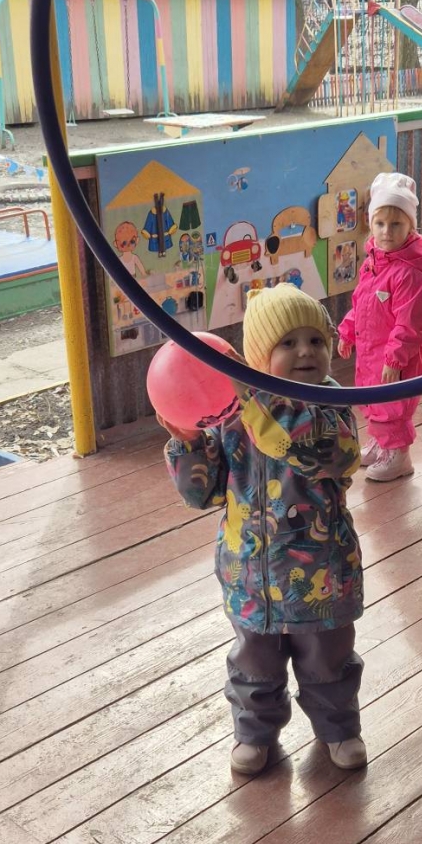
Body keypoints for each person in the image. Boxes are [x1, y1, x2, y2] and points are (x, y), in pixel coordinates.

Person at [160, 284, 367, 776]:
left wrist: (251, 398)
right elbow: (203, 494)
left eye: (315, 340)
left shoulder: (331, 408)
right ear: (255, 358)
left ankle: (339, 729)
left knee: (329, 661)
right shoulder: (229, 418)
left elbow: (317, 451)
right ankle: (254, 734)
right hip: (250, 577)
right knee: (254, 666)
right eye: (287, 343)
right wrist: (188, 442)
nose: (305, 352)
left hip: (321, 575)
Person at [337, 171, 422, 482]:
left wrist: (395, 358)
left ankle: (399, 455)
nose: (386, 232)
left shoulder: (409, 273)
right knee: (373, 399)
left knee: (393, 405)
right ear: (371, 224)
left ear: (411, 227)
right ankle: (381, 443)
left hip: (395, 357)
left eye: (396, 224)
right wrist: (347, 330)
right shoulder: (373, 262)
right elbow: (361, 302)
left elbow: (409, 323)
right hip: (370, 350)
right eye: (380, 224)